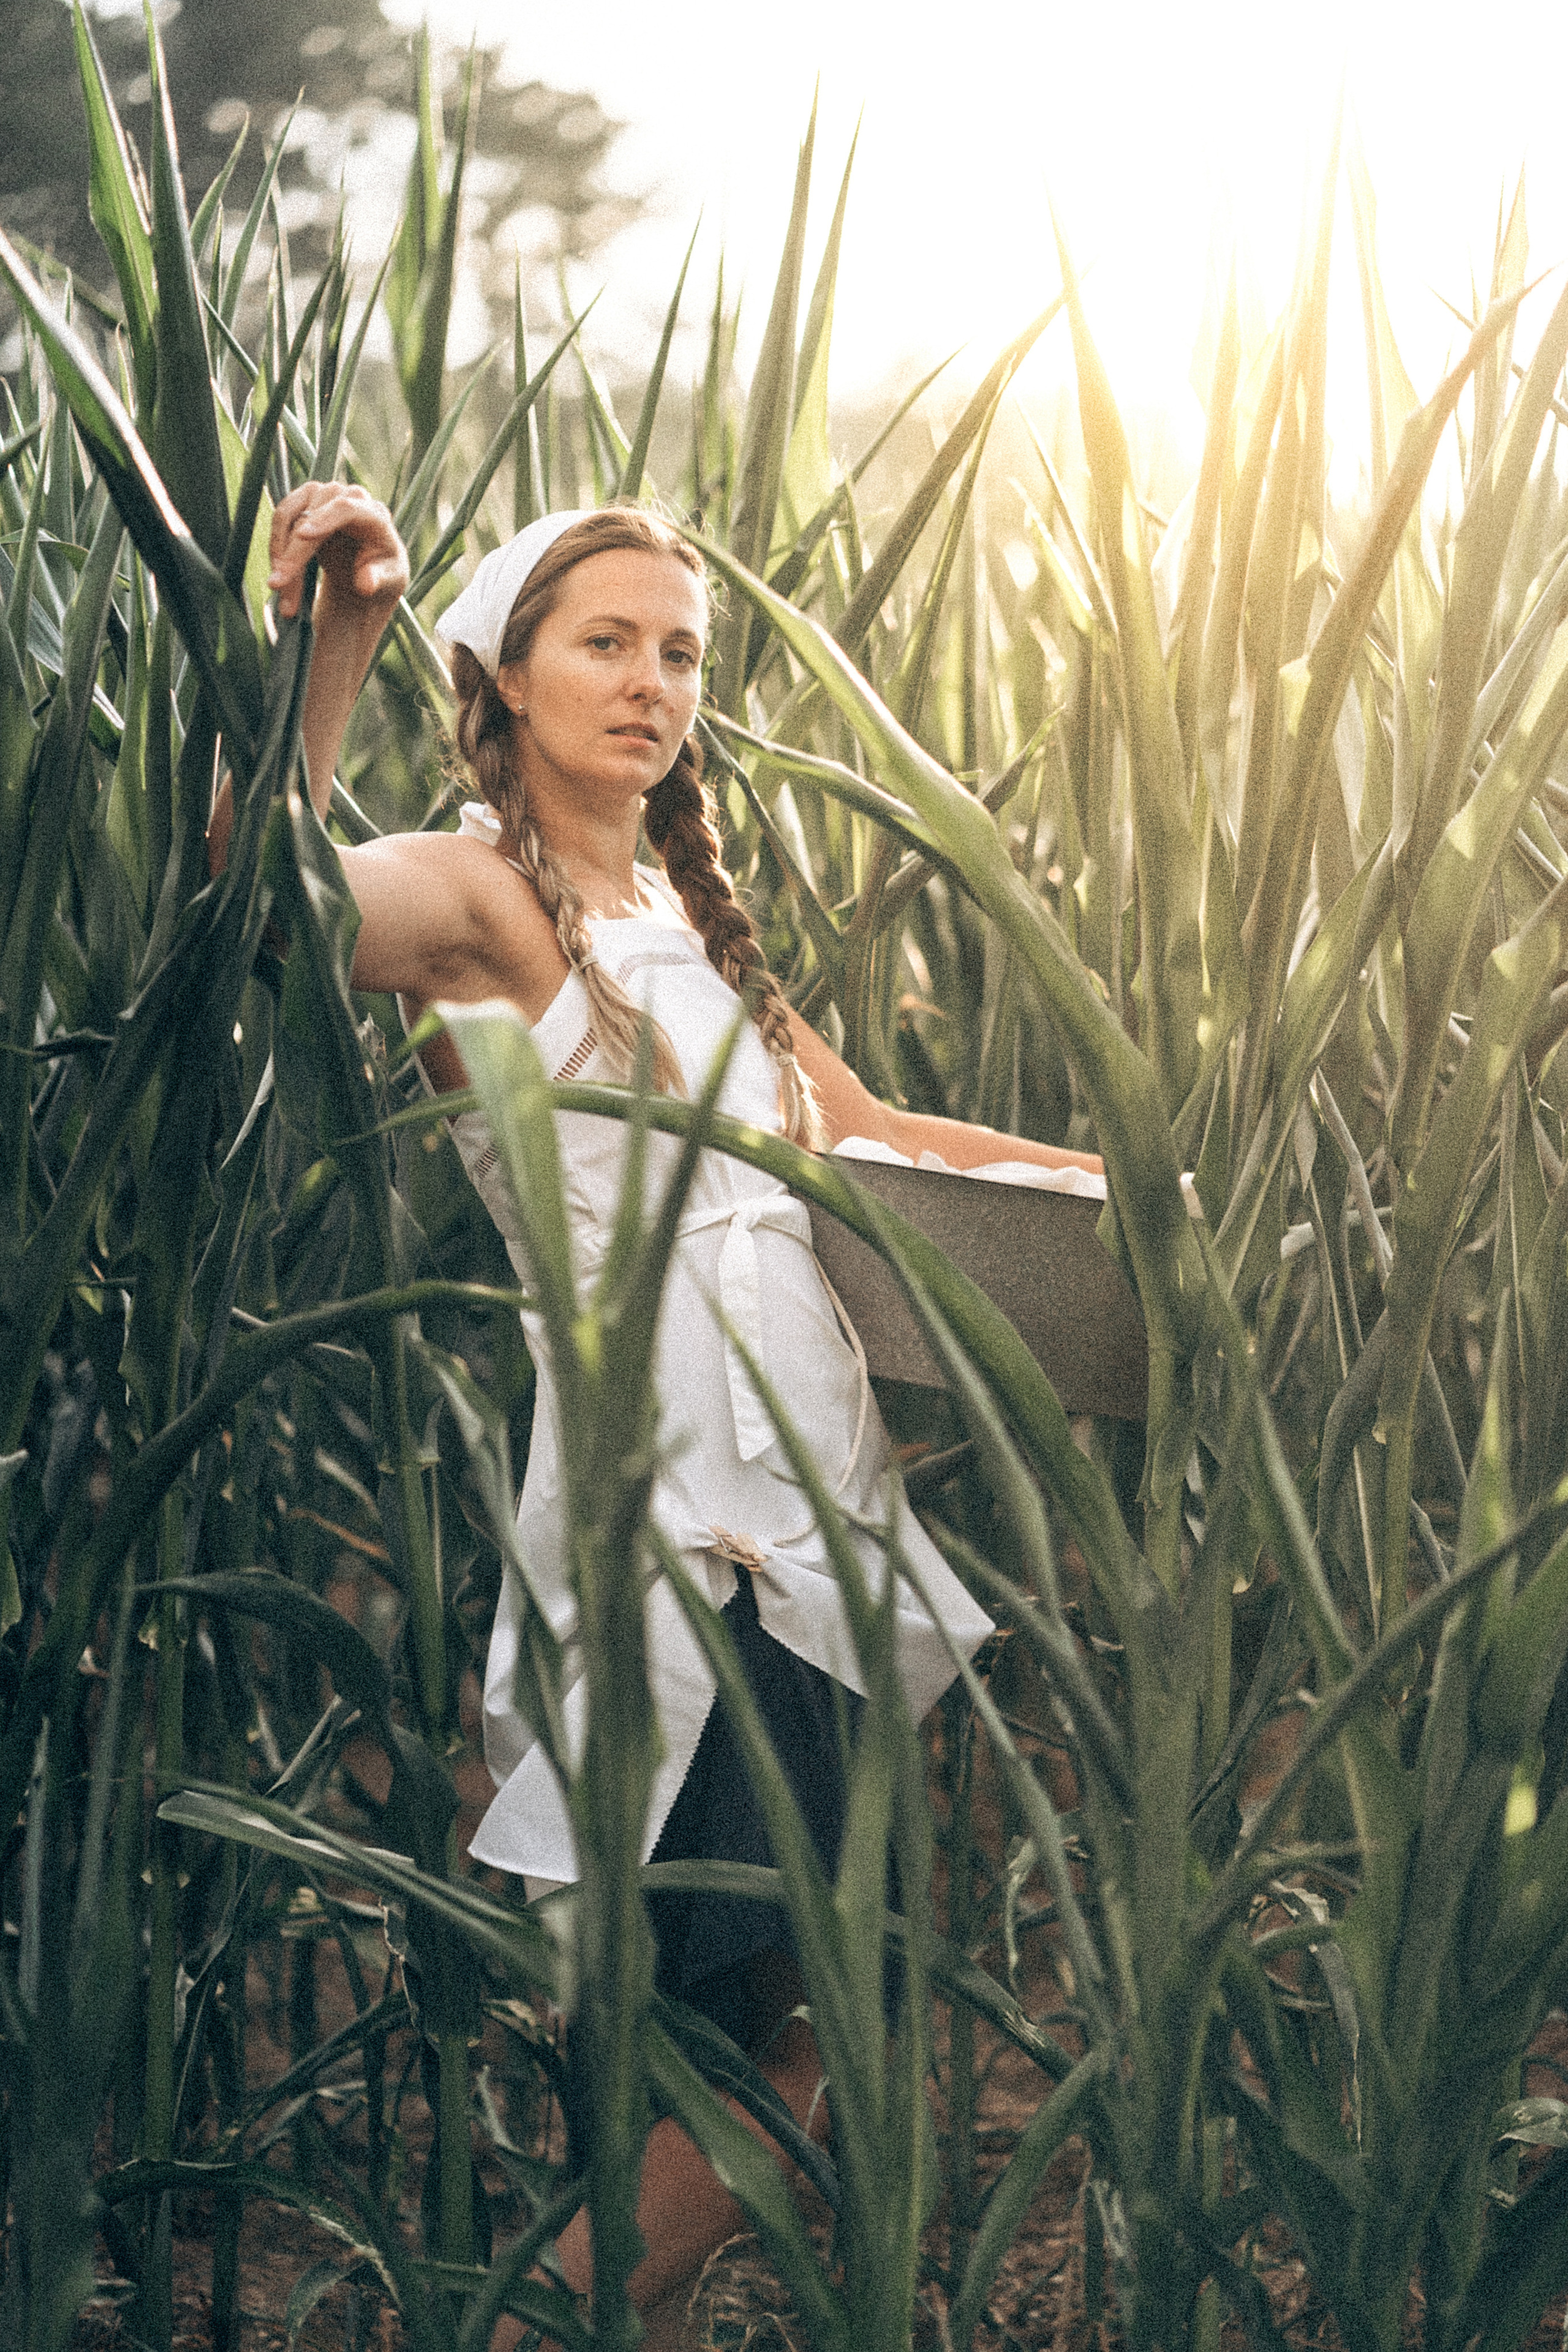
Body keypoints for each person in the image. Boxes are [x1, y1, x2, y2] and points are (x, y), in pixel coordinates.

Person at [231, 484, 1104, 2348]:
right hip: (683, 1548)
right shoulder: (478, 896)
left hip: (817, 1537)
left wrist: (1144, 1200)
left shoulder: (693, 926)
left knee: (770, 2048)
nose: (652, 682)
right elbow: (267, 901)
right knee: (784, 2076)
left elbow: (873, 1143)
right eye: (606, 642)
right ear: (510, 674)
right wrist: (329, 656)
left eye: (682, 652)